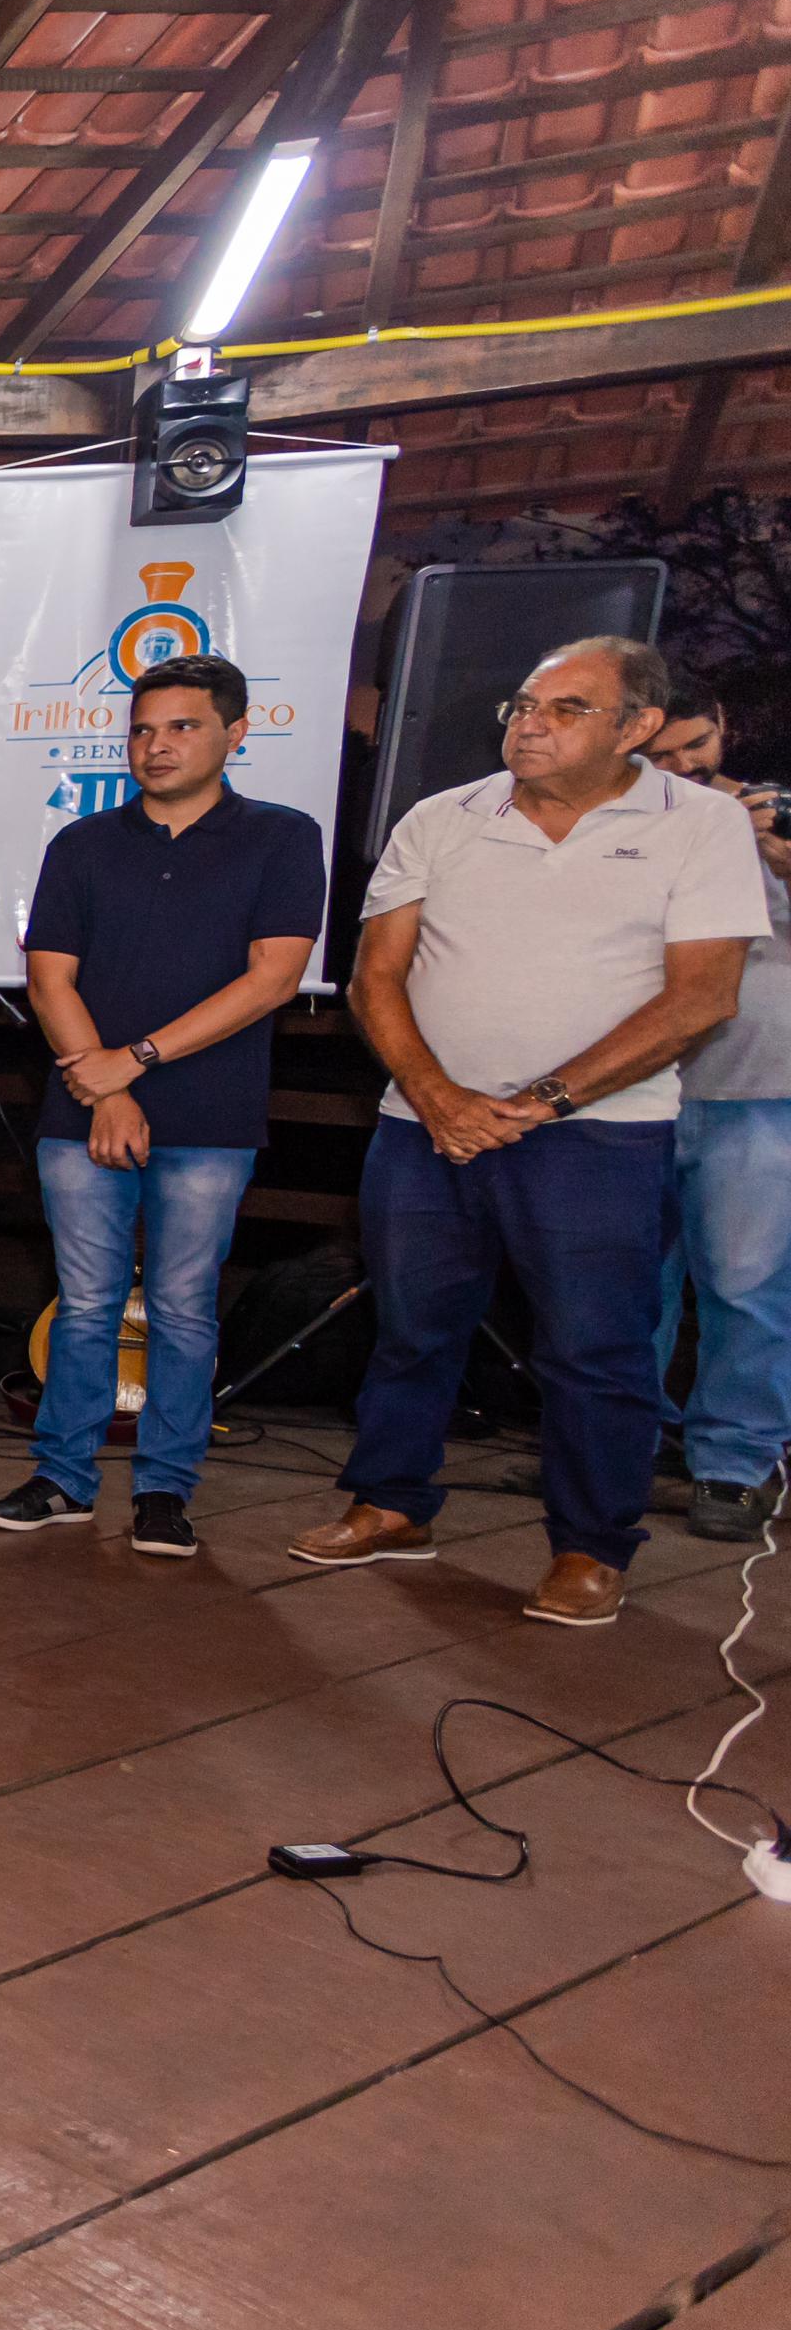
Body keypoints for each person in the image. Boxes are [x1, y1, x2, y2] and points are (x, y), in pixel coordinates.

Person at [290, 635, 761, 1624]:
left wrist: (540, 1101)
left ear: (635, 726)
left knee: (595, 1349)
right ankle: (389, 1501)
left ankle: (590, 1546)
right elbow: (375, 977)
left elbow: (701, 995)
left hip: (598, 1136)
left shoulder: (700, 823)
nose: (528, 725)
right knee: (411, 1328)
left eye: (563, 709)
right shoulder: (442, 817)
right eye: (522, 706)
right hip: (424, 1128)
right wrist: (436, 1096)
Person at [0, 654, 325, 1557]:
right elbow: (50, 979)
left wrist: (130, 1065)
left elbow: (272, 979)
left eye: (181, 727)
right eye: (141, 729)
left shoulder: (282, 838)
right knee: (84, 1304)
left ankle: (165, 1490)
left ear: (235, 733)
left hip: (210, 1114)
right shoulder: (83, 844)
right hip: (82, 1109)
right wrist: (104, 1088)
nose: (156, 745)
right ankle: (62, 1477)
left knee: (183, 1307)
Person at [647, 698, 791, 1542]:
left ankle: (735, 1466)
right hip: (632, 1087)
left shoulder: (774, 817)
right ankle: (619, 1446)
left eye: (695, 745)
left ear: (723, 723)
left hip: (758, 1089)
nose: (683, 767)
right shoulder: (630, 821)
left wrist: (783, 858)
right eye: (661, 754)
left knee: (746, 1285)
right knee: (628, 1288)